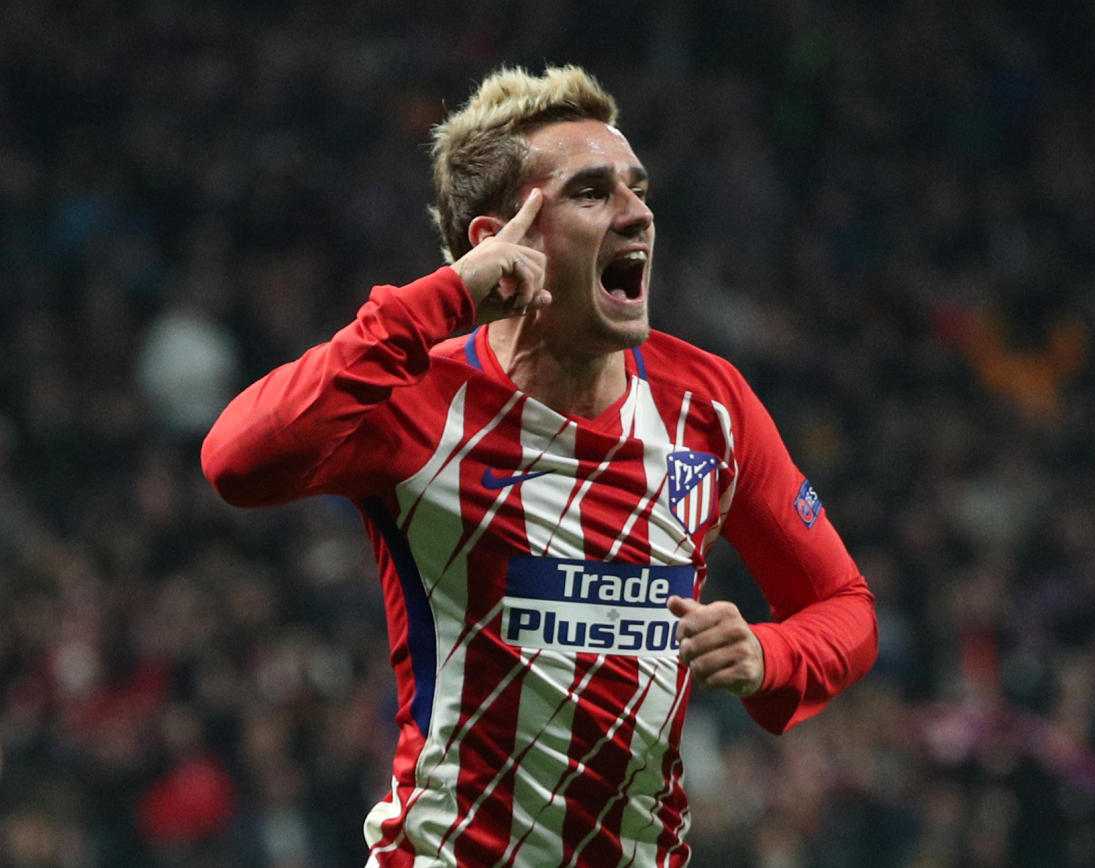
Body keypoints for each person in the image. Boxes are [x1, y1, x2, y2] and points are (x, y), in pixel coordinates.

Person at [202, 65, 878, 867]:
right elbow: (236, 463)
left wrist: (772, 657)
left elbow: (846, 606)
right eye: (593, 192)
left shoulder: (711, 404)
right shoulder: (421, 394)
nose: (639, 213)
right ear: (501, 242)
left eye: (637, 187)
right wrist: (441, 300)